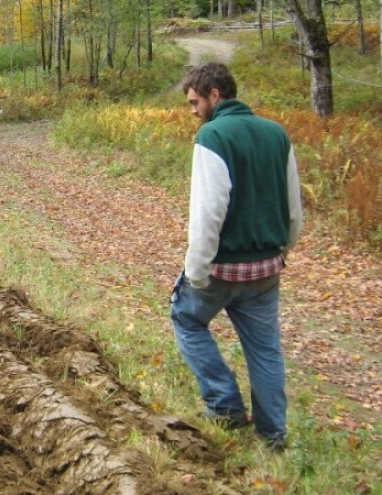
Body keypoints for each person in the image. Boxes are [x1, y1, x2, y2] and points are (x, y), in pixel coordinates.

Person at [170, 62, 303, 451]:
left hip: (222, 269)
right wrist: (283, 249)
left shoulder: (213, 137)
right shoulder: (277, 134)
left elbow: (209, 212)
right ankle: (272, 436)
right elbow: (294, 206)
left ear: (215, 94)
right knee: (265, 350)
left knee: (186, 318)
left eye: (195, 102)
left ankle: (225, 405)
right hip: (266, 268)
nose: (193, 111)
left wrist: (196, 270)